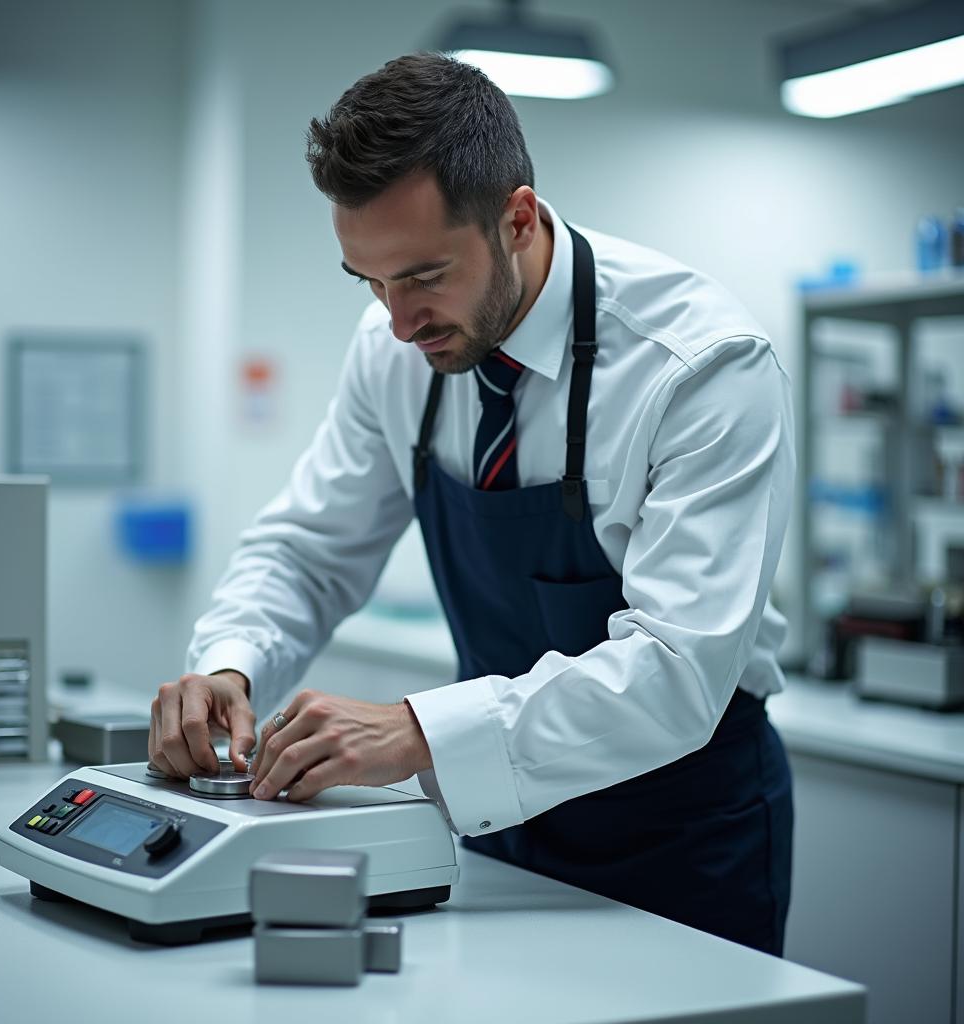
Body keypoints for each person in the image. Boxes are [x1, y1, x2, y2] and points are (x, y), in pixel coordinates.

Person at [148, 53, 795, 956]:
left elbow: (678, 670)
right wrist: (232, 665)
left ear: (517, 219)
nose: (398, 321)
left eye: (422, 276)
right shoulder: (393, 348)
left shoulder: (699, 366)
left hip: (681, 826)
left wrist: (417, 728)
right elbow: (310, 550)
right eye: (369, 282)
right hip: (494, 810)